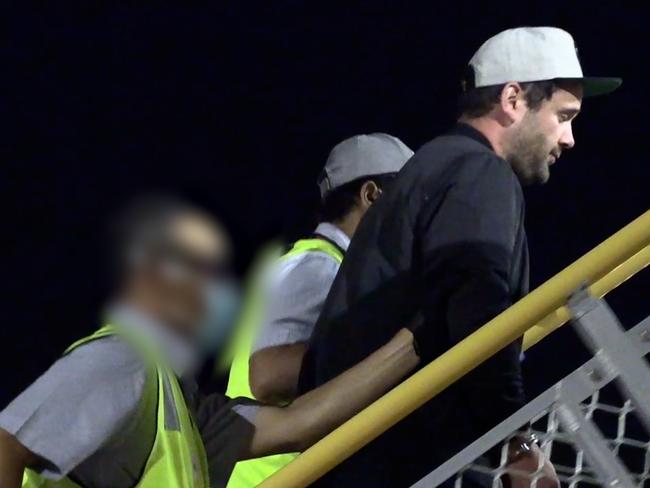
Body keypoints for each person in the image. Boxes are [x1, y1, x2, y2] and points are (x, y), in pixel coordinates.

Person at [299, 26, 621, 487]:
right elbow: (475, 307)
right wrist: (518, 443)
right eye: (564, 116)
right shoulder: (477, 170)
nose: (569, 139)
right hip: (404, 463)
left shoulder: (433, 167)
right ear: (513, 99)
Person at [0, 195, 420, 488]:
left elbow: (298, 425)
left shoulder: (184, 414)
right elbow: (6, 447)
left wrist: (416, 342)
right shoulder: (121, 361)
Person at [225, 133, 414, 487]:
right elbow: (267, 375)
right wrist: (388, 358)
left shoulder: (330, 267)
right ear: (371, 195)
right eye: (409, 199)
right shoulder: (318, 266)